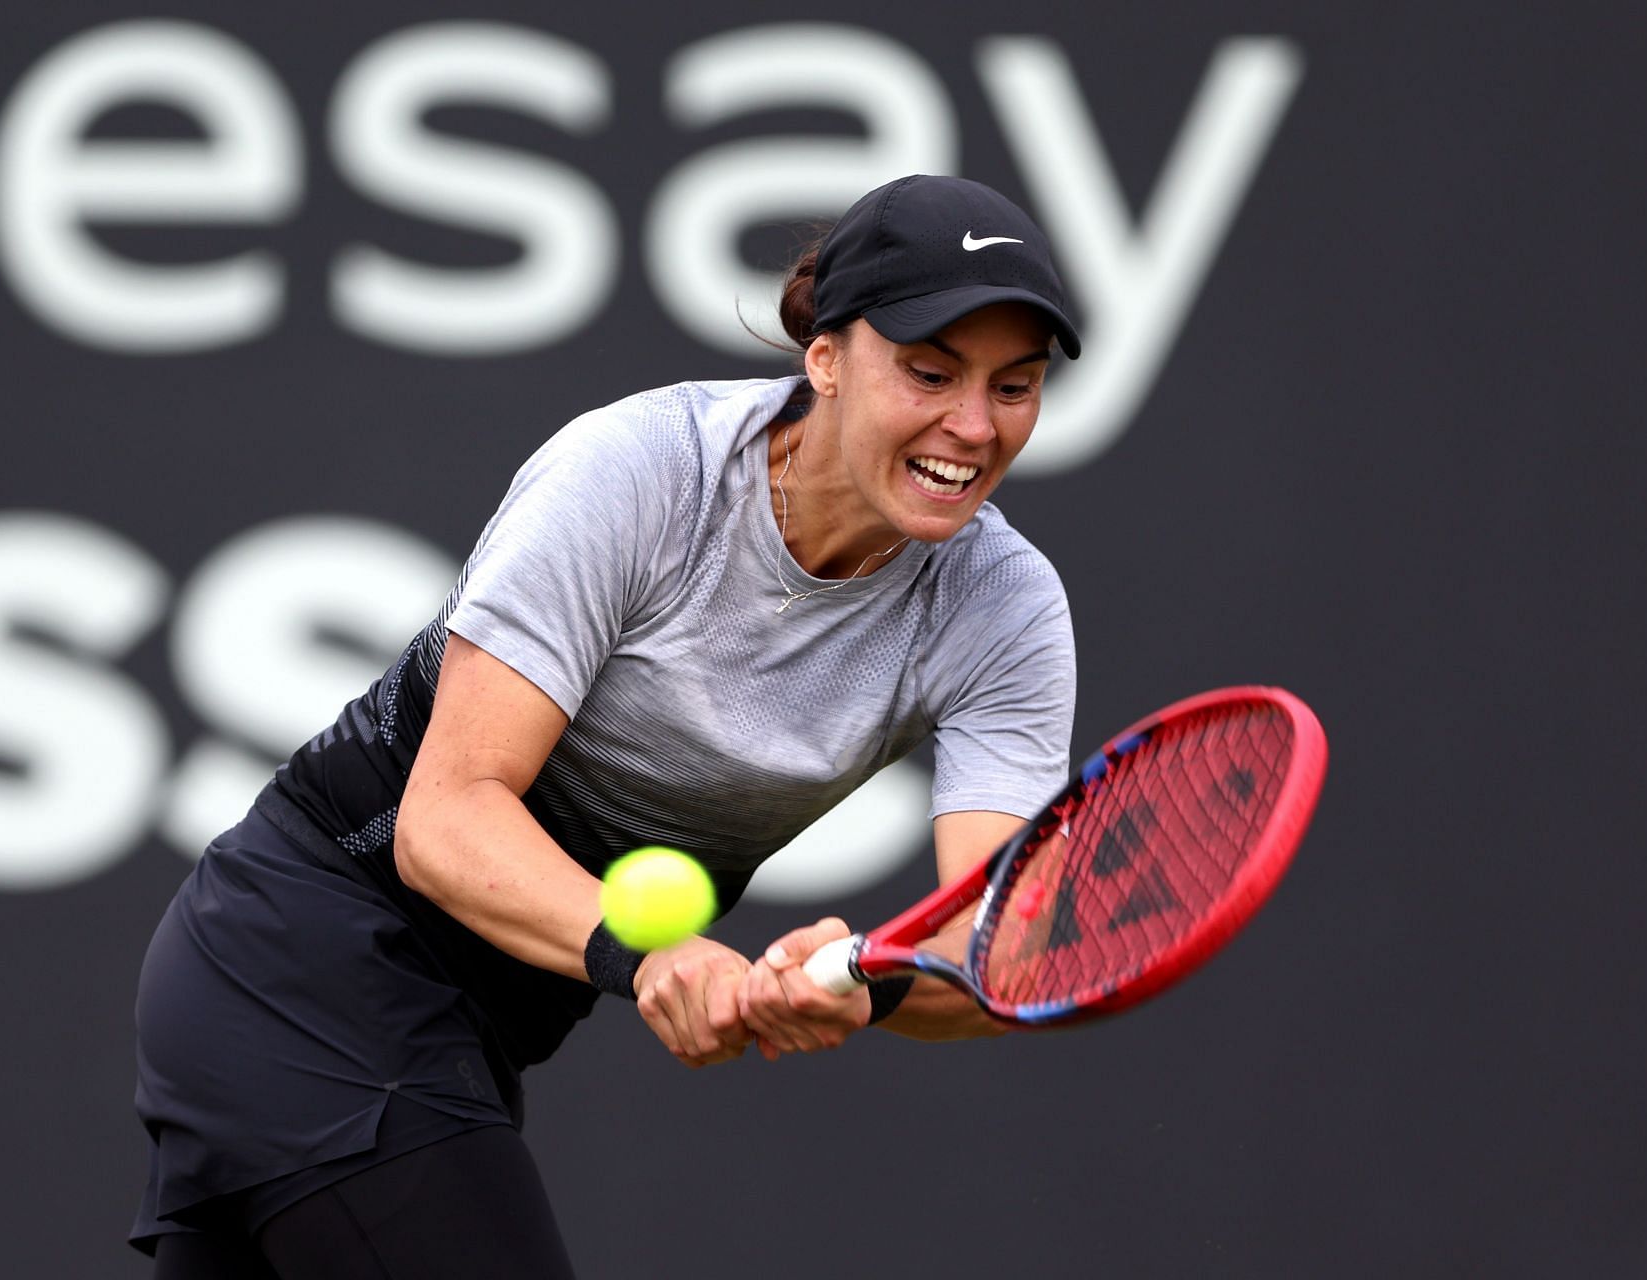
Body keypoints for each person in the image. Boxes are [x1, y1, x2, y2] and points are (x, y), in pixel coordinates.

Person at [130, 173, 1080, 1278]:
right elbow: (442, 817)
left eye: (1014, 385)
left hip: (469, 1034)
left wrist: (867, 984)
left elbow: (999, 952)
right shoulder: (638, 472)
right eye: (929, 372)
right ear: (824, 355)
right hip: (298, 956)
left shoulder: (1005, 607)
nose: (973, 425)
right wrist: (652, 950)